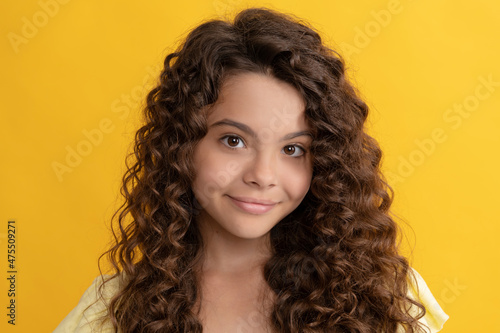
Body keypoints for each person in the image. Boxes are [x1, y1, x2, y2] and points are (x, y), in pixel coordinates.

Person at [54, 7, 449, 333]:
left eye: (293, 149)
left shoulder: (381, 293)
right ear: (183, 144)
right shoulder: (115, 309)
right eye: (234, 141)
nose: (263, 174)